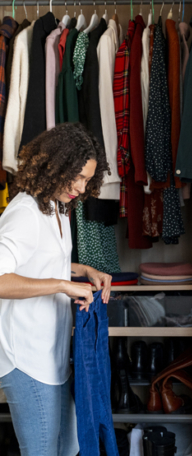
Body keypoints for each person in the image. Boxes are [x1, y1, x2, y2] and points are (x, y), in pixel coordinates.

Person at [0, 122, 114, 455]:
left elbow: (40, 261)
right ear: (55, 165)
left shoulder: (56, 207)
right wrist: (64, 285)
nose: (81, 187)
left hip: (51, 352)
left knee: (68, 446)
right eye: (77, 177)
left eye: (87, 180)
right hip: (24, 356)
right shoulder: (24, 212)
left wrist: (82, 270)